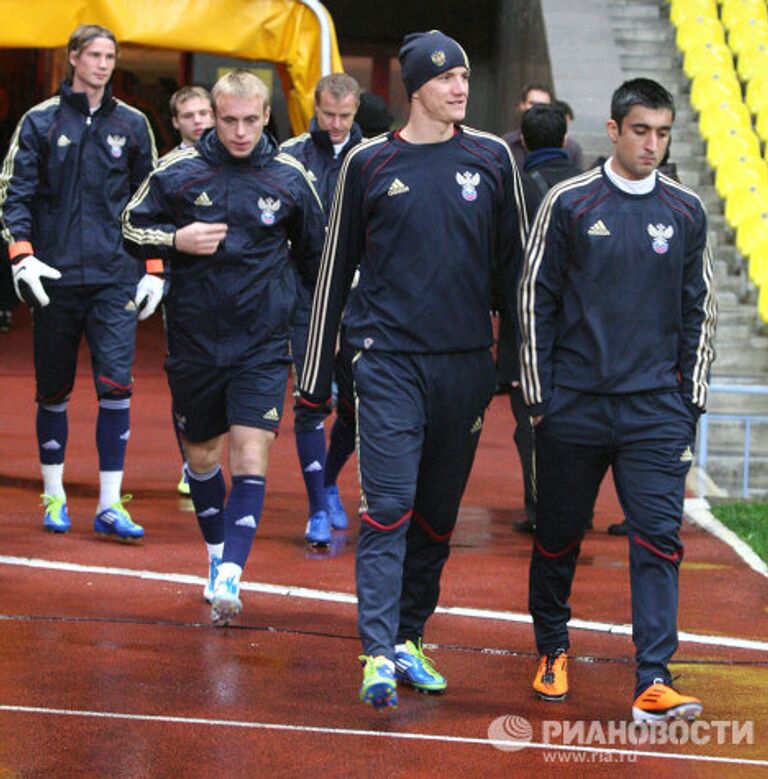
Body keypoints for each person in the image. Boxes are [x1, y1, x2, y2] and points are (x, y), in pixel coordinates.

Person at [299, 31, 527, 710]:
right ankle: (373, 650)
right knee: (389, 503)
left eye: (464, 74)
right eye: (447, 76)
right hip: (386, 358)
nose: (460, 86)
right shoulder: (368, 163)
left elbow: (516, 272)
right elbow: (334, 271)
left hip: (463, 365)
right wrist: (314, 377)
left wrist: (519, 371)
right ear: (416, 87)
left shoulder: (493, 159)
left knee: (435, 515)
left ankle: (406, 636)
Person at [518, 78, 716, 722]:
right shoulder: (570, 202)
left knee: (659, 539)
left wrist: (690, 400)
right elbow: (533, 298)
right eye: (640, 130)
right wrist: (539, 398)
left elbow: (700, 310)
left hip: (655, 411)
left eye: (662, 132)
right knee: (557, 537)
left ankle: (653, 677)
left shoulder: (686, 211)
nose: (652, 144)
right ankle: (552, 648)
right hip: (573, 404)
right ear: (612, 130)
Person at [122, 70, 325, 622]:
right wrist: (174, 240)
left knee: (251, 453)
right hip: (194, 339)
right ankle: (216, 556)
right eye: (228, 120)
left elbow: (317, 259)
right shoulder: (177, 171)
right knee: (202, 459)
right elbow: (130, 227)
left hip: (262, 340)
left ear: (266, 117)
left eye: (250, 120)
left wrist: (316, 331)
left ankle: (233, 571)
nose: (239, 132)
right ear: (212, 114)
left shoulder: (290, 177)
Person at [0, 24, 157, 539]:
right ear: (72, 58)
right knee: (53, 391)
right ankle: (54, 496)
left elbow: (152, 199)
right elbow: (13, 193)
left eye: (111, 55)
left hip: (115, 277)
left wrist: (154, 268)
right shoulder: (40, 121)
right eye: (94, 54)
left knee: (117, 386)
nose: (104, 64)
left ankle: (110, 505)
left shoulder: (134, 125)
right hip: (56, 276)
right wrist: (22, 257)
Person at [280, 73, 364, 545]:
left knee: (356, 408)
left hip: (358, 301)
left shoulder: (372, 156)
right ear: (314, 108)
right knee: (313, 401)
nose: (334, 124)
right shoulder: (291, 155)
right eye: (327, 114)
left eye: (344, 116)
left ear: (356, 112)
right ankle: (315, 507)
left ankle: (330, 481)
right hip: (306, 298)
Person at [497, 102, 582, 534]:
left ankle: (541, 511)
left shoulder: (518, 188)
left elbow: (510, 265)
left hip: (530, 329)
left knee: (532, 424)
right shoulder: (589, 188)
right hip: (583, 332)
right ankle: (578, 511)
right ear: (565, 139)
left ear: (523, 141)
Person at [165, 85, 215, 496]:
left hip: (232, 290)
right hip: (181, 290)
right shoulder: (166, 169)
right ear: (176, 123)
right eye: (190, 115)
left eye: (204, 113)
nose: (199, 120)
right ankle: (190, 462)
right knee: (187, 377)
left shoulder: (238, 160)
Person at [503, 82, 583, 171]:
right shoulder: (506, 144)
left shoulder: (572, 148)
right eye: (532, 103)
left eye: (543, 104)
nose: (537, 108)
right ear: (522, 105)